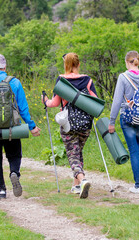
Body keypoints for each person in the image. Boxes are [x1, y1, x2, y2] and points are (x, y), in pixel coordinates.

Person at [0, 54, 41, 199]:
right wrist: (32, 126)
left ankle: (1, 191)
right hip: (13, 128)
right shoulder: (15, 83)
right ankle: (14, 173)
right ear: (5, 66)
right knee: (15, 155)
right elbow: (23, 108)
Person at [41, 53, 98, 199]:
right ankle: (76, 185)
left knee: (73, 155)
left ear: (65, 65)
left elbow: (54, 103)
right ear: (78, 64)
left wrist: (45, 100)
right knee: (77, 152)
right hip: (85, 124)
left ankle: (83, 179)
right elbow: (95, 100)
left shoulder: (62, 80)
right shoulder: (87, 80)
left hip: (69, 124)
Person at [108, 51, 139, 194]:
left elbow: (117, 101)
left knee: (133, 149)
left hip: (128, 118)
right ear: (138, 61)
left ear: (127, 62)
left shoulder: (123, 78)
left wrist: (112, 122)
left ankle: (138, 186)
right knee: (138, 143)